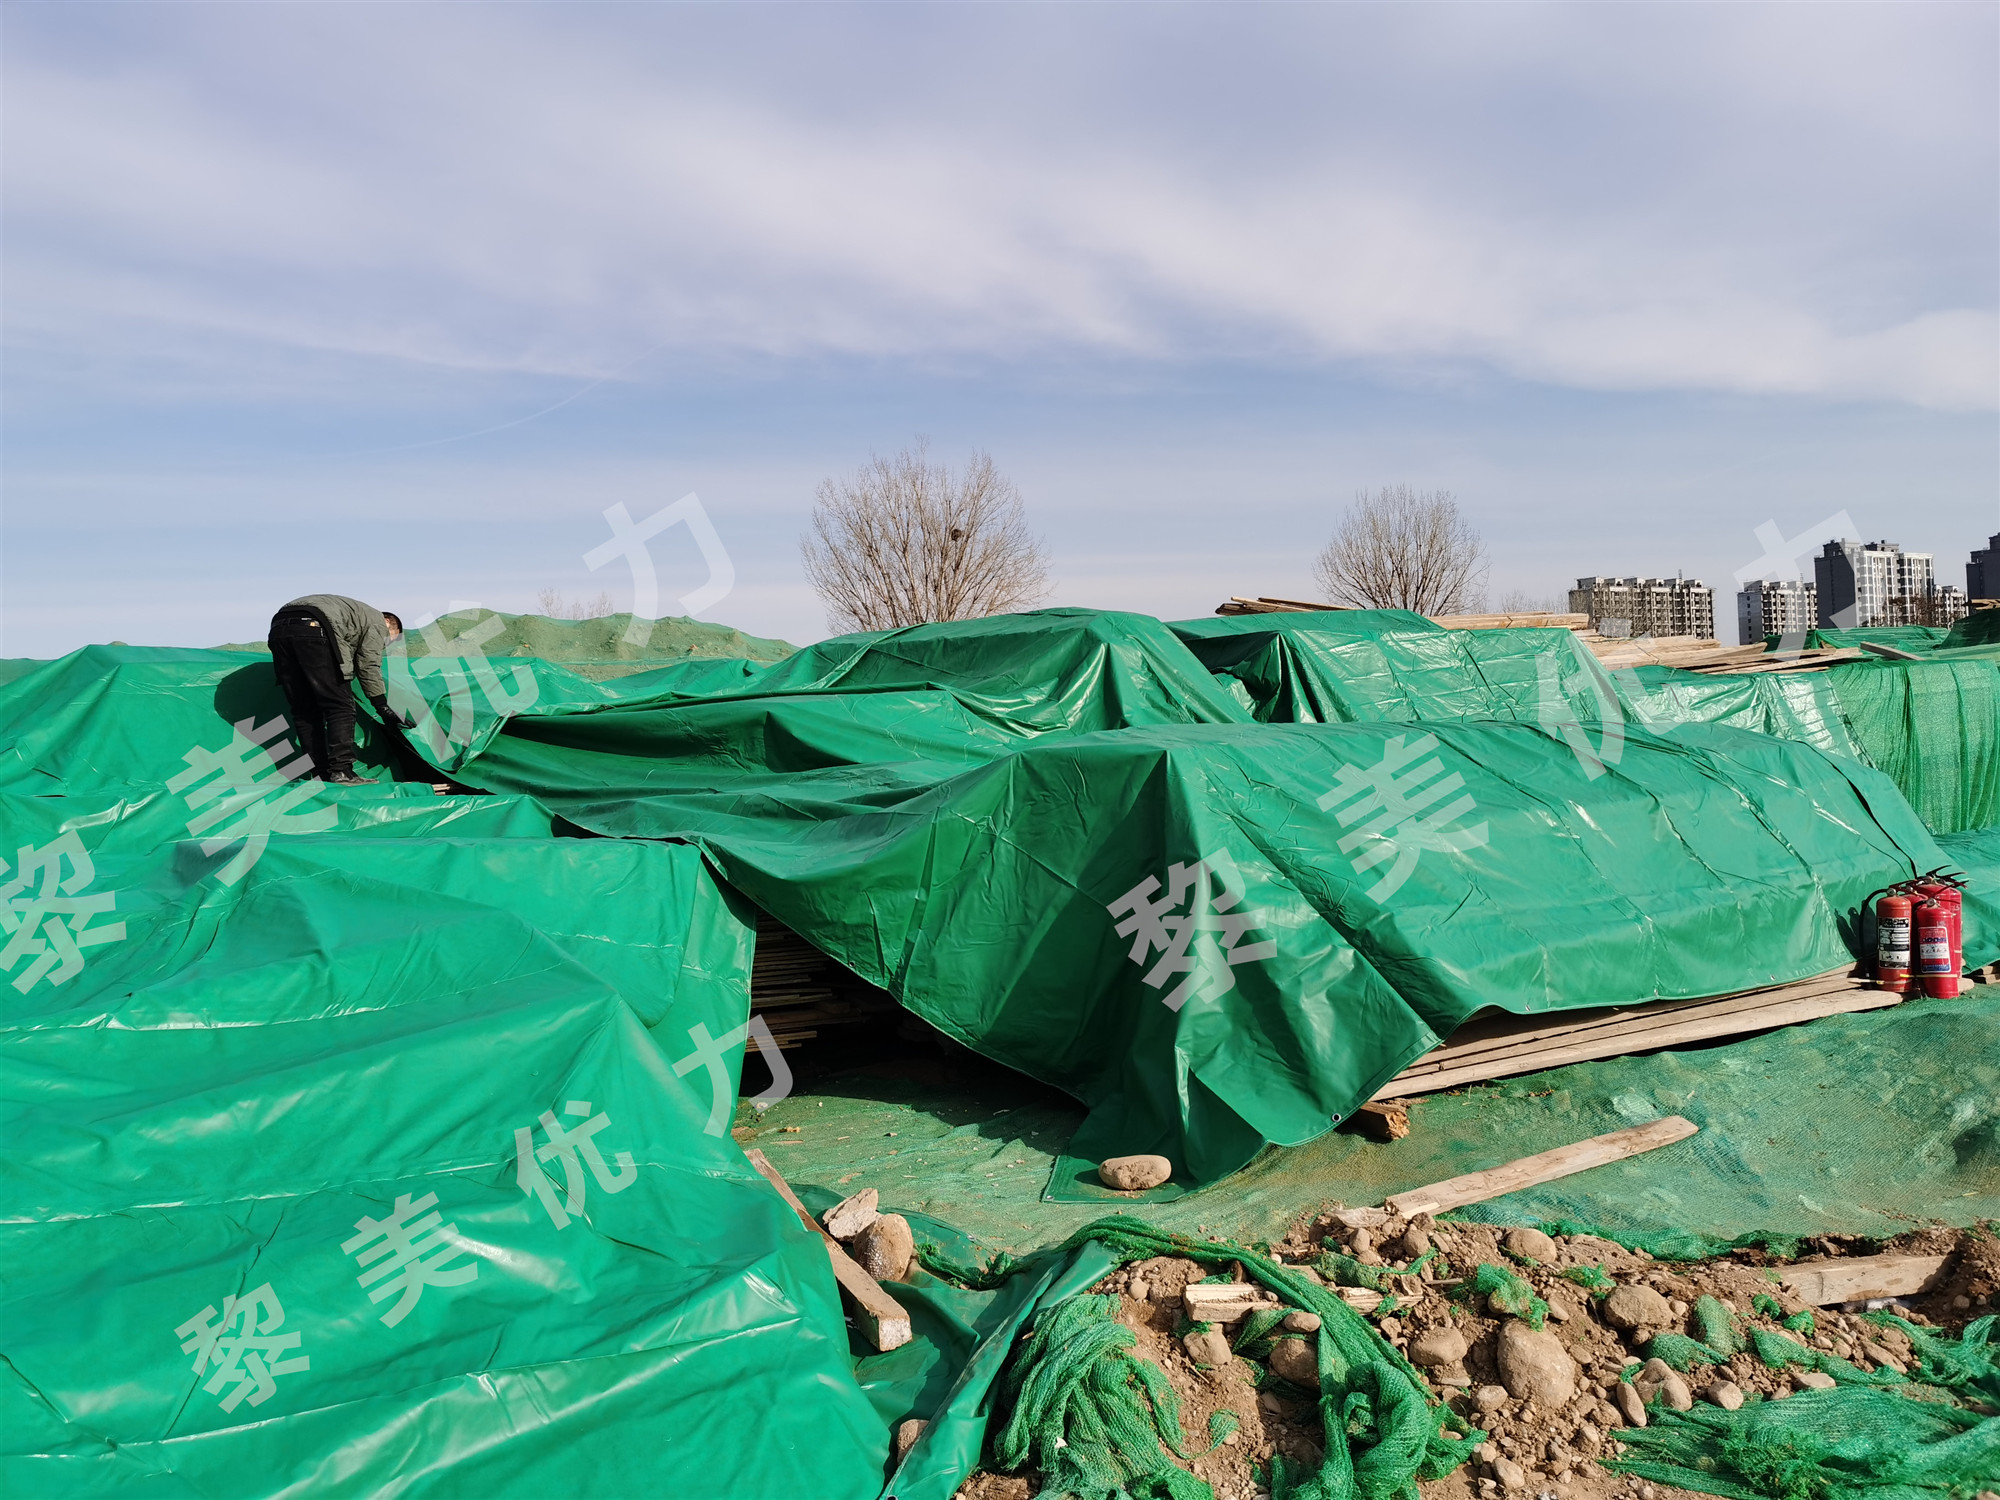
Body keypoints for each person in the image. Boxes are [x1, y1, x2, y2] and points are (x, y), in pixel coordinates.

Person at [266, 595, 410, 785]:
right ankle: (342, 771)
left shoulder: (355, 614)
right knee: (340, 706)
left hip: (279, 629)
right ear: (389, 623)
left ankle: (320, 774)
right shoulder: (377, 622)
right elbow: (369, 665)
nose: (384, 644)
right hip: (315, 628)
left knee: (305, 712)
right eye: (388, 640)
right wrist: (382, 706)